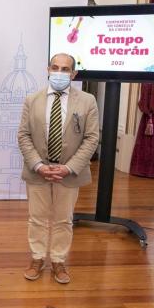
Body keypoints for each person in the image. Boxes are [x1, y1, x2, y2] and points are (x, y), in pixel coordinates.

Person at [17, 53, 99, 284]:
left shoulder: (87, 101)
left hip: (69, 173)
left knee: (64, 219)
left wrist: (69, 168)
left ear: (73, 74)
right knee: (37, 218)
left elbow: (91, 139)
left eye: (65, 69)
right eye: (55, 67)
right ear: (47, 69)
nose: (59, 73)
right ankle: (37, 258)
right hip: (38, 171)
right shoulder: (32, 100)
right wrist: (39, 165)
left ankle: (59, 261)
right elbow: (23, 135)